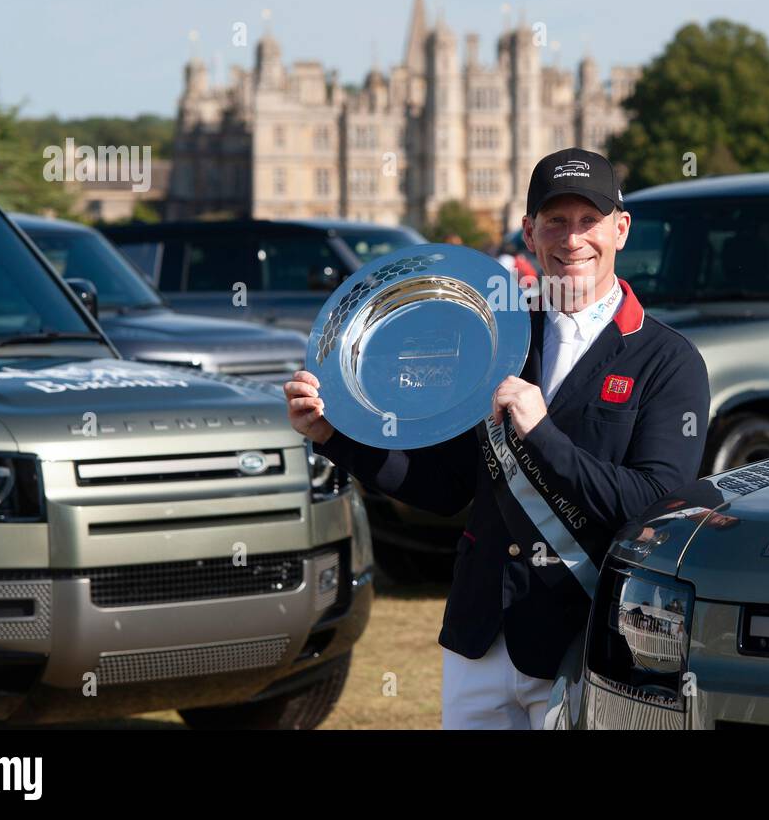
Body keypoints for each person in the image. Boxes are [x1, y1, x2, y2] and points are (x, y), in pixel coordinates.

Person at [284, 147, 710, 729]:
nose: (573, 239)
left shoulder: (668, 359)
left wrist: (542, 435)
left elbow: (656, 506)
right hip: (479, 636)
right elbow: (444, 487)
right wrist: (334, 435)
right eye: (555, 221)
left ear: (620, 229)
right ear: (530, 232)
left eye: (589, 221)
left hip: (586, 641)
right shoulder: (494, 337)